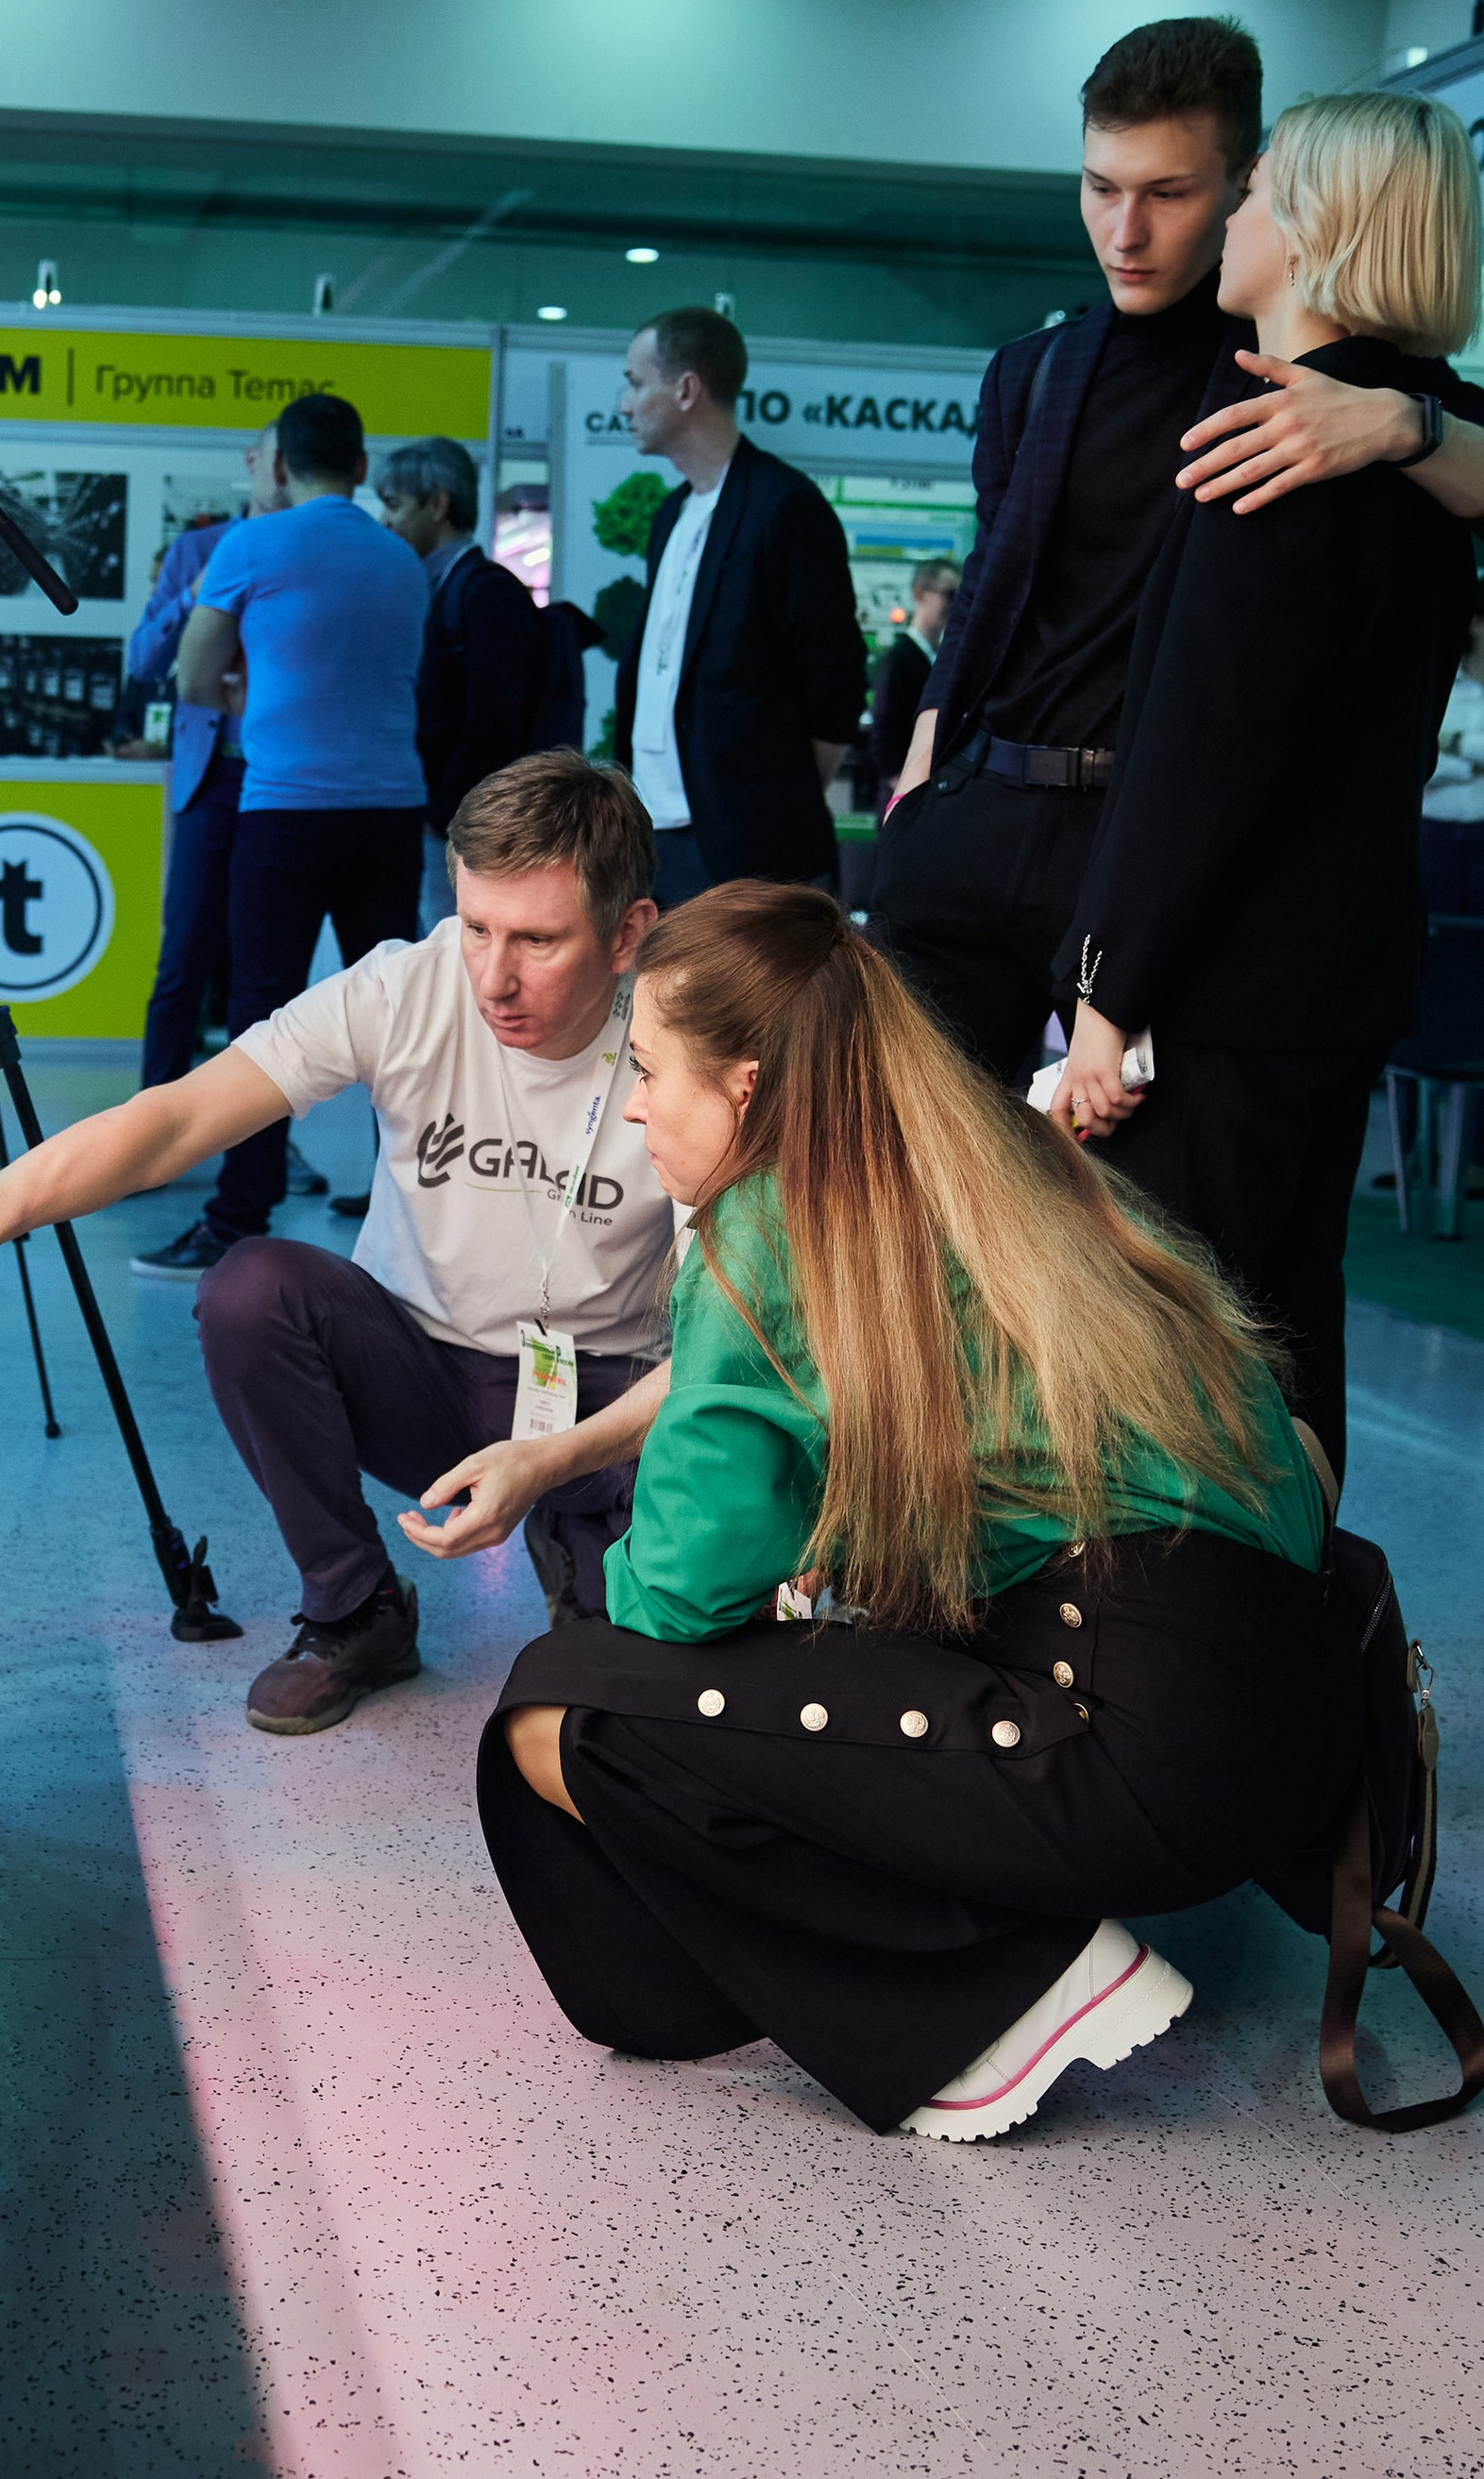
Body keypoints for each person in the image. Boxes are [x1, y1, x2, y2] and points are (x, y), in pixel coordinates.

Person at [459, 883, 1349, 2143]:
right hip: (1269, 1727)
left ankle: (990, 1996)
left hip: (1122, 1731)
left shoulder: (767, 1224)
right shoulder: (1002, 1164)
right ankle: (995, 1956)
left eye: (653, 1070)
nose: (639, 1106)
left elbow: (673, 1593)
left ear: (751, 1089)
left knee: (567, 1706)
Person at [0, 754, 682, 1731]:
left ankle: (586, 1545)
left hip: (607, 1401)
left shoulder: (683, 1037)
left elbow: (735, 1340)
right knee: (251, 1286)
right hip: (420, 1371)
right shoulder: (409, 986)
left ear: (627, 936)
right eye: (477, 926)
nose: (493, 976)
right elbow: (176, 1121)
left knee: (637, 1699)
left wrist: (558, 1459)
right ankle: (355, 1609)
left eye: (538, 940)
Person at [871, 15, 1484, 1085]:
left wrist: (1401, 424)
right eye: (1100, 187)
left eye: (1168, 194)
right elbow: (987, 593)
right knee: (889, 1187)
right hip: (975, 820)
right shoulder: (1033, 372)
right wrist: (923, 769)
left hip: (1146, 855)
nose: (1123, 230)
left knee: (1114, 1227)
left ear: (1245, 185)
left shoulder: (1301, 361)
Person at [1056, 92, 1484, 1485]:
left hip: (1222, 994)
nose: (1228, 216)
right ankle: (1309, 1669)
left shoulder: (1273, 435)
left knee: (1181, 1367)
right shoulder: (1415, 447)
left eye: (1252, 195)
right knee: (1287, 1345)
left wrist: (1105, 1000)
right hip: (1336, 977)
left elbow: (1199, 756)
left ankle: (1212, 1679)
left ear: (1312, 228)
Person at [135, 391, 430, 1279]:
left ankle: (237, 1218)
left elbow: (190, 680)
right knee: (399, 1023)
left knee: (262, 1016)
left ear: (277, 465)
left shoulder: (251, 544)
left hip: (286, 810)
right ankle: (411, 1222)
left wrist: (243, 683)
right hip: (390, 811)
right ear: (362, 467)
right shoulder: (402, 558)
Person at [608, 308, 866, 911]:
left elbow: (835, 681)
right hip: (652, 834)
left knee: (752, 1007)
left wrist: (774, 795)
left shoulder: (786, 507)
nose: (624, 404)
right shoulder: (670, 514)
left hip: (748, 845)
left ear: (687, 389)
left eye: (636, 382)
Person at [128, 436, 273, 1091]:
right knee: (183, 953)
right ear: (254, 464)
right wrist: (193, 595)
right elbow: (142, 662)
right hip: (209, 773)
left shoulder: (302, 554)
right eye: (273, 459)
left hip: (282, 779)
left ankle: (262, 1134)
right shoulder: (196, 551)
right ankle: (150, 1123)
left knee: (264, 962)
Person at [376, 436, 552, 931]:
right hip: (440, 817)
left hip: (462, 826)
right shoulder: (436, 588)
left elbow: (495, 719)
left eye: (394, 505)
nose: (386, 522)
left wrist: (444, 813)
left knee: (458, 958)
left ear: (437, 504)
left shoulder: (484, 592)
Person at [864, 556, 958, 792]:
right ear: (920, 593)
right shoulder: (899, 659)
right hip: (905, 792)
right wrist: (902, 788)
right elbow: (883, 733)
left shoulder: (940, 659)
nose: (955, 604)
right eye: (949, 594)